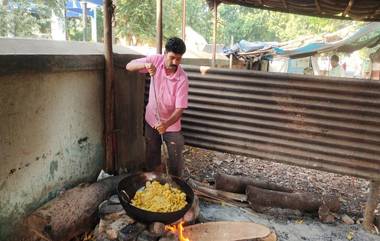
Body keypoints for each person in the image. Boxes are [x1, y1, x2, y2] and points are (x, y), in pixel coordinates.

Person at [126, 37, 188, 177]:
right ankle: (153, 179)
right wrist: (146, 66)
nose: (175, 62)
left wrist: (166, 125)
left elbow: (180, 109)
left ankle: (176, 181)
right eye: (172, 57)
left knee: (175, 154)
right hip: (151, 120)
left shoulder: (182, 78)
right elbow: (129, 66)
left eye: (179, 59)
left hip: (171, 125)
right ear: (165, 53)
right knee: (151, 153)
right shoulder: (155, 60)